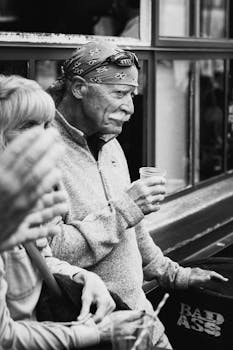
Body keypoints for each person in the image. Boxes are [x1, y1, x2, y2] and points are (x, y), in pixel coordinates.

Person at [48, 41, 228, 348]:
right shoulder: (40, 153)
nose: (130, 108)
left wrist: (172, 273)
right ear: (79, 88)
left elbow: (133, 227)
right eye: (119, 93)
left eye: (132, 94)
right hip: (95, 333)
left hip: (143, 317)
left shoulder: (110, 142)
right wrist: (125, 209)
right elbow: (50, 253)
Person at [0, 74, 144, 350]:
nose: (41, 137)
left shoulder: (20, 195)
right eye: (27, 125)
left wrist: (83, 277)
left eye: (45, 125)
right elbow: (5, 337)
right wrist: (96, 333)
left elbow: (42, 257)